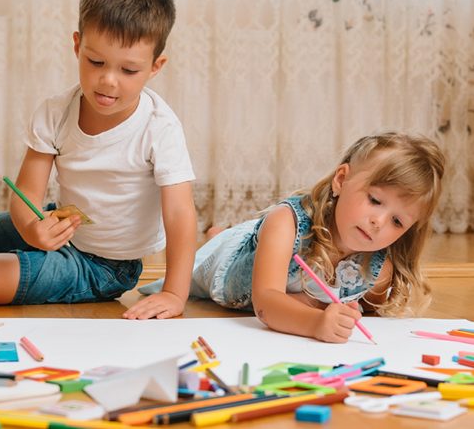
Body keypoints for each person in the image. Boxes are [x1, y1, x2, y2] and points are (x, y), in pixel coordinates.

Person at [0, 0, 197, 320]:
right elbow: (26, 192)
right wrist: (31, 229)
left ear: (156, 66)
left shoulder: (159, 127)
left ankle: (32, 261)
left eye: (128, 70)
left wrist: (173, 292)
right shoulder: (56, 112)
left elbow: (180, 214)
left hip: (105, 265)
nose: (109, 80)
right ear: (77, 45)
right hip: (58, 223)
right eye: (96, 61)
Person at [140, 132, 445, 342]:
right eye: (375, 201)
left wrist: (350, 313)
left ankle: (227, 232)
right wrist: (315, 323)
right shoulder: (287, 223)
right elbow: (266, 303)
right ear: (341, 180)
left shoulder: (378, 271)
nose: (378, 222)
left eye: (397, 220)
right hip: (228, 268)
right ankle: (220, 235)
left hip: (267, 247)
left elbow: (368, 313)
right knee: (218, 249)